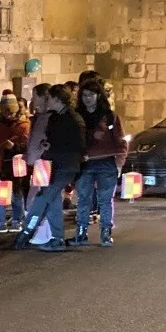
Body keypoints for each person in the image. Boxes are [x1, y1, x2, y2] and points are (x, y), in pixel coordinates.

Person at [15, 84, 86, 252]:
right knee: (52, 200)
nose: (47, 102)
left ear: (57, 99)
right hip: (53, 165)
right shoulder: (55, 118)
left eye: (50, 99)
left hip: (66, 166)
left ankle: (26, 232)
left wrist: (52, 147)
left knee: (42, 197)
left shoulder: (73, 120)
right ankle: (56, 237)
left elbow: (78, 145)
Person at [72, 76, 127, 247]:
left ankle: (105, 232)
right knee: (83, 199)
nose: (87, 99)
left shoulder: (109, 117)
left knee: (105, 200)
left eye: (91, 95)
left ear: (98, 96)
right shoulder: (77, 116)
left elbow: (120, 141)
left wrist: (119, 162)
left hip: (106, 163)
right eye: (84, 95)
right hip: (85, 164)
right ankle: (81, 232)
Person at [0, 94, 30, 233]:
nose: (9, 114)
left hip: (17, 164)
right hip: (1, 163)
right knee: (1, 192)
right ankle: (0, 221)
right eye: (6, 111)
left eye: (11, 111)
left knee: (17, 193)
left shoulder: (24, 125)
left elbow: (27, 145)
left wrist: (15, 147)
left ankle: (18, 220)